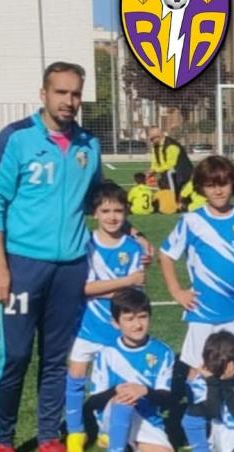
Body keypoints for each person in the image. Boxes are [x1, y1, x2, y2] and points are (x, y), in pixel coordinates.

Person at [0, 61, 103, 452]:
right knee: (15, 356)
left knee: (55, 358)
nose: (69, 101)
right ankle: (3, 440)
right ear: (43, 94)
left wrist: (131, 232)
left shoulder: (89, 145)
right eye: (61, 92)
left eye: (75, 93)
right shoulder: (16, 138)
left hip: (71, 268)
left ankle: (49, 436)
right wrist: (0, 267)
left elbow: (97, 200)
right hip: (23, 266)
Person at [159, 155, 234, 376]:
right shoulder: (191, 221)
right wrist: (177, 291)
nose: (218, 191)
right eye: (211, 185)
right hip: (203, 310)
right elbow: (166, 255)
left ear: (233, 184)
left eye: (223, 184)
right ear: (201, 188)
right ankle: (195, 400)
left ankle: (232, 400)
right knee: (199, 369)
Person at [64, 182, 146, 452]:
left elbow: (132, 295)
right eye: (106, 210)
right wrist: (124, 282)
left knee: (114, 383)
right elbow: (83, 288)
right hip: (86, 326)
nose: (112, 217)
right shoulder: (85, 244)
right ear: (95, 213)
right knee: (76, 376)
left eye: (118, 211)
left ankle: (106, 428)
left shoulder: (133, 248)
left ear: (126, 213)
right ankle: (75, 432)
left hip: (116, 331)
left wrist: (108, 289)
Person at [90, 289, 174, 452]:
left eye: (143, 317)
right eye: (129, 319)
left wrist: (145, 391)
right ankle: (116, 446)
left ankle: (129, 444)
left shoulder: (163, 352)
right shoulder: (106, 354)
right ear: (116, 323)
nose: (137, 325)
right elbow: (93, 403)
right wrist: (116, 391)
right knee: (124, 399)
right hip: (112, 418)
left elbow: (165, 399)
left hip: (147, 421)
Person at [182, 331, 234, 452]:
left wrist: (227, 384)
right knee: (191, 417)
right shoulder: (200, 380)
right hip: (214, 431)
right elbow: (212, 411)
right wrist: (212, 382)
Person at [147, 126, 193, 203]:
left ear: (160, 136)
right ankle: (168, 200)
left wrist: (156, 170)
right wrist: (151, 170)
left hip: (182, 171)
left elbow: (170, 164)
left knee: (169, 174)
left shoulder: (171, 146)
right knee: (162, 181)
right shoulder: (155, 146)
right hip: (169, 171)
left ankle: (173, 200)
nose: (152, 140)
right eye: (151, 139)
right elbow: (155, 162)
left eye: (153, 138)